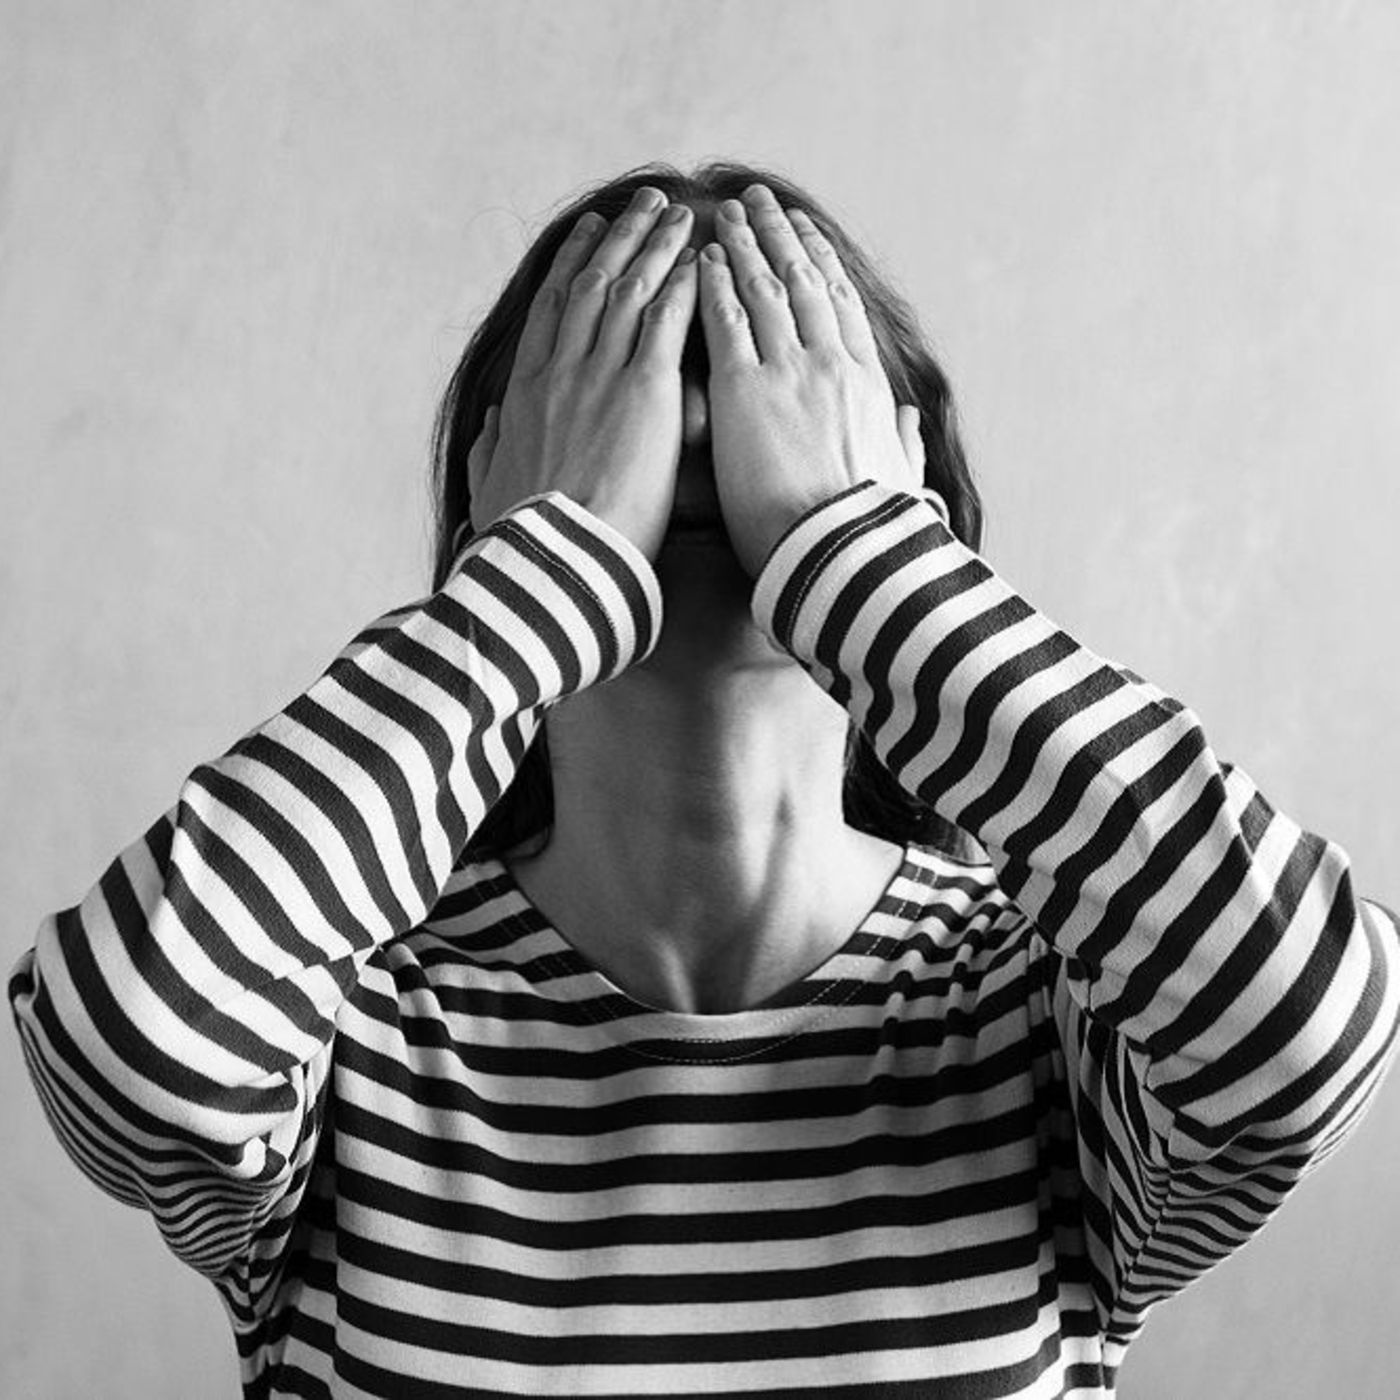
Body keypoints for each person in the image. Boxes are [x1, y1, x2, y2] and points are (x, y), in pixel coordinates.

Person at [10, 160, 1399, 1399]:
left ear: (898, 473)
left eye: (771, 376)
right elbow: (130, 1042)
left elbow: (1307, 1028)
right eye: (624, 380)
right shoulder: (345, 1012)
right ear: (503, 480)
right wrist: (545, 565)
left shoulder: (1044, 1004)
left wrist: (867, 556)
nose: (701, 430)